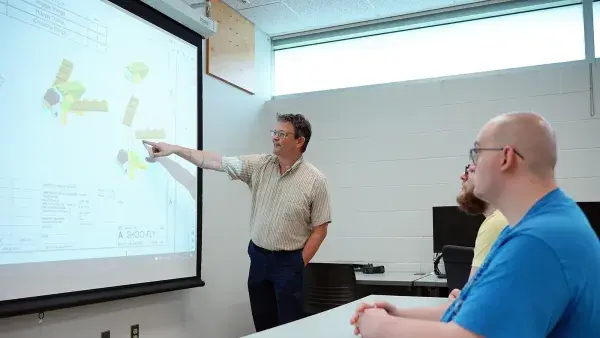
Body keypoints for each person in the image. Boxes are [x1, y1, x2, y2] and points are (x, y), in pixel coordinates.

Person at [350, 112, 600, 337]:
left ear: (506, 157)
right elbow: (476, 316)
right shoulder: (536, 226)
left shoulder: (538, 240)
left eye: (476, 154)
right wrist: (397, 314)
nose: (470, 168)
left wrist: (379, 327)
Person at [143, 113, 332, 332]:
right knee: (263, 327)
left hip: (289, 263)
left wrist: (298, 264)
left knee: (289, 329)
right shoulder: (260, 165)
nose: (275, 138)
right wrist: (174, 149)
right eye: (274, 132)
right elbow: (216, 161)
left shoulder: (316, 181)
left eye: (282, 134)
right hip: (259, 259)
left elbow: (320, 228)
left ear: (300, 141)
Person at [448, 163, 508, 301]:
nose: (463, 176)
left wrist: (458, 302)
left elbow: (471, 303)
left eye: (470, 171)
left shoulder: (496, 224)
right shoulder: (508, 217)